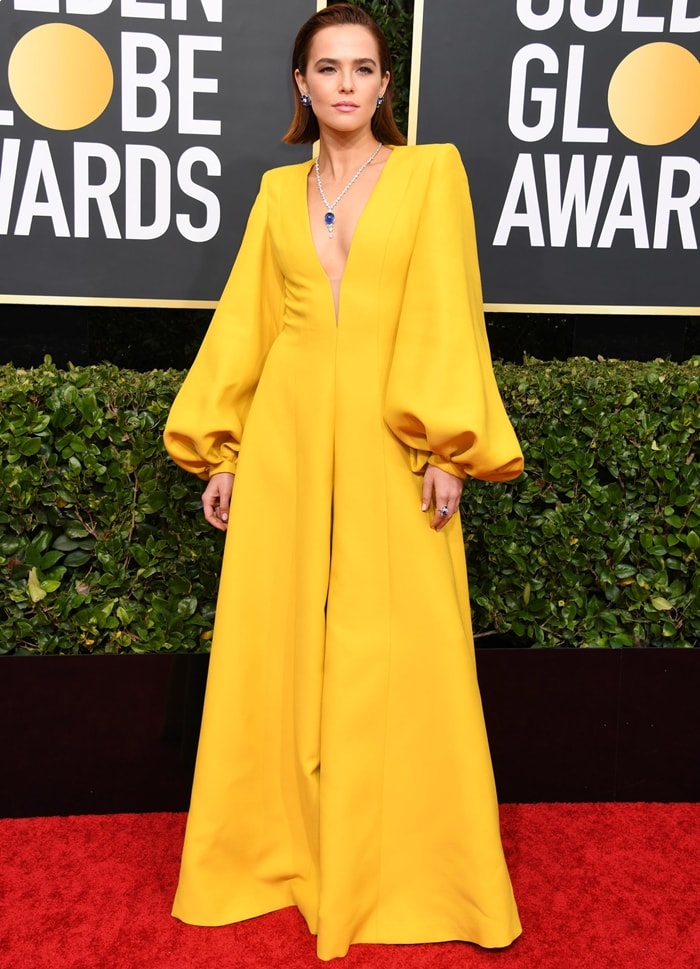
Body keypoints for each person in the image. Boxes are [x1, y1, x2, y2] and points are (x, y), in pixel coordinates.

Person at [164, 3, 523, 961]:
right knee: (273, 638)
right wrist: (223, 445)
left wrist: (449, 446)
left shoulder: (427, 173)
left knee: (405, 639)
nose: (348, 84)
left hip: (389, 429)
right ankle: (278, 850)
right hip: (285, 426)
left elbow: (448, 305)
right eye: (329, 68)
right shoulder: (280, 194)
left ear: (386, 85)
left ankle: (407, 868)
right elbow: (249, 318)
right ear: (302, 85)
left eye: (365, 68)